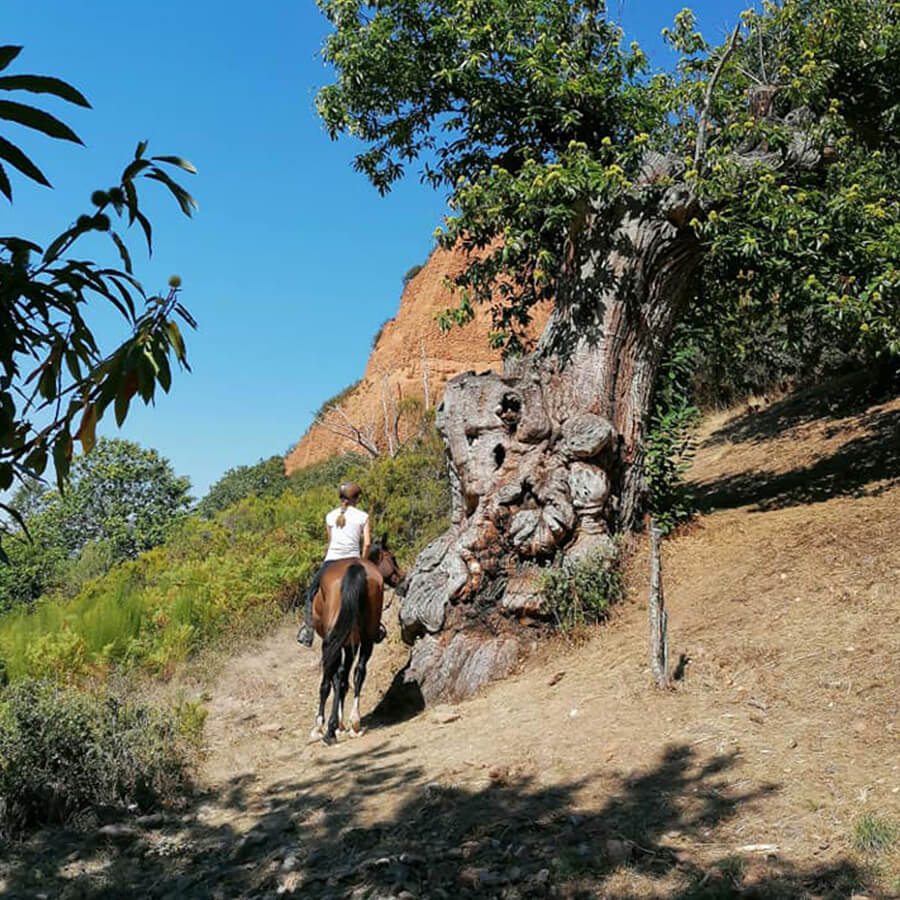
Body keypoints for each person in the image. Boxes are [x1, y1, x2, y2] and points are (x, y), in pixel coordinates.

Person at [296, 481, 371, 647]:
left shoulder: (330, 516)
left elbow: (330, 542)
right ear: (356, 498)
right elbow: (367, 544)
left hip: (331, 560)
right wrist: (363, 562)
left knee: (311, 593)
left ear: (341, 497)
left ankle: (308, 631)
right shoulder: (363, 516)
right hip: (354, 560)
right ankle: (375, 627)